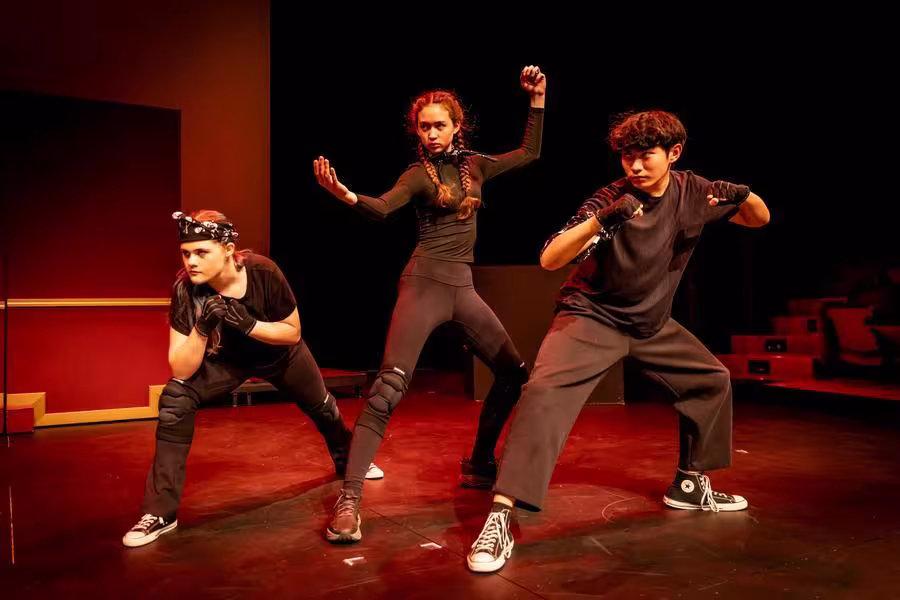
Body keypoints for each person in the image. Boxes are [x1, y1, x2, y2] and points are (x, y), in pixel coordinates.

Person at [466, 110, 771, 573]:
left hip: (651, 324)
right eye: (627, 156)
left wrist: (742, 194)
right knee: (544, 395)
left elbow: (759, 218)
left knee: (710, 380)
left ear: (674, 153)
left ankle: (690, 483)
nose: (635, 166)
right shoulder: (612, 197)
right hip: (591, 318)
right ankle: (501, 516)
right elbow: (551, 259)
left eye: (645, 156)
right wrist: (599, 223)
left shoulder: (693, 190)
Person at [313, 66, 546, 543]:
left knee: (512, 373)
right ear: (416, 130)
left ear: (457, 125)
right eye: (425, 126)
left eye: (440, 124)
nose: (433, 133)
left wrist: (537, 99)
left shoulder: (477, 165)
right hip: (423, 283)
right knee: (389, 389)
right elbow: (382, 207)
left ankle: (481, 462)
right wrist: (346, 194)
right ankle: (350, 500)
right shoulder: (417, 175)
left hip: (463, 288)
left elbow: (530, 152)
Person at [122, 210, 381, 548]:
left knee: (322, 406)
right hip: (227, 363)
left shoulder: (263, 272)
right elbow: (181, 370)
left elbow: (292, 333)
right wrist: (201, 329)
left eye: (202, 252)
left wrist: (248, 325)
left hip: (280, 355)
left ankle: (348, 457)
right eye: (187, 253)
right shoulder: (185, 289)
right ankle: (160, 513)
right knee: (176, 398)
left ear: (228, 249)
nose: (191, 262)